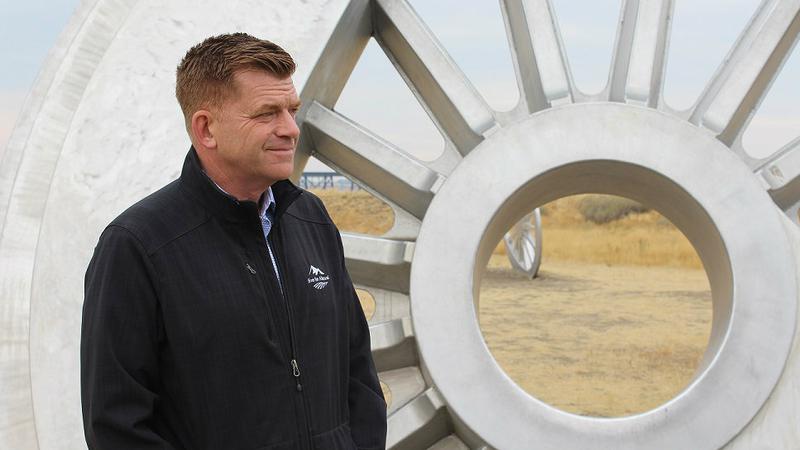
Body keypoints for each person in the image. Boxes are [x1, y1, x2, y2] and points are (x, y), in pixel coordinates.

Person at [81, 32, 387, 450]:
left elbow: (357, 370)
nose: (290, 129)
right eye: (267, 114)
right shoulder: (137, 245)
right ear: (206, 128)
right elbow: (116, 425)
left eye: (292, 110)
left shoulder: (311, 219)